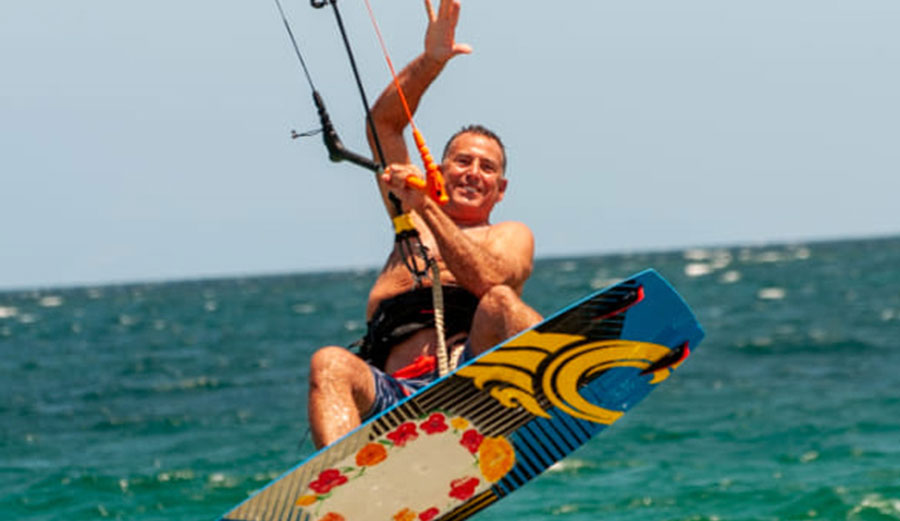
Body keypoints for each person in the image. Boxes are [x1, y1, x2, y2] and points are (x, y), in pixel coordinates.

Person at [307, 0, 542, 449]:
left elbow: (492, 280)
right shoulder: (409, 218)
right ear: (441, 169)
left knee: (498, 302)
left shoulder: (508, 234)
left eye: (487, 167)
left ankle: (561, 376)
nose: (474, 172)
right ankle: (341, 483)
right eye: (462, 161)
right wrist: (432, 60)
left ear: (501, 188)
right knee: (329, 362)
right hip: (396, 402)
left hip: (471, 380)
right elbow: (384, 125)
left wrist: (427, 207)